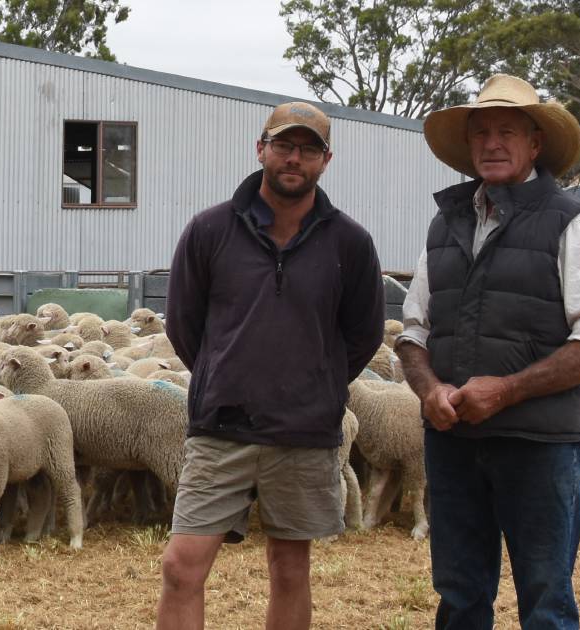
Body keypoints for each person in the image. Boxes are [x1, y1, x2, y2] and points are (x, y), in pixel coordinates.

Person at [395, 74, 580, 629]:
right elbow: (413, 332)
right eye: (481, 133)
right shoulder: (445, 224)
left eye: (507, 131)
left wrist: (508, 390)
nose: (491, 144)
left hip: (538, 446)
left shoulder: (568, 224)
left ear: (535, 144)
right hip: (453, 444)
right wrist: (430, 390)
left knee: (546, 600)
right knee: (458, 596)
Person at [156, 101, 385, 630]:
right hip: (222, 426)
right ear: (261, 148)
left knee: (289, 569)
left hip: (303, 431)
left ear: (326, 160)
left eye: (308, 150)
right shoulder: (210, 230)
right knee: (181, 565)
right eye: (284, 145)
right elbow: (184, 325)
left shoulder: (350, 242)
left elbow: (363, 334)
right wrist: (225, 374)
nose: (293, 159)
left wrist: (316, 385)